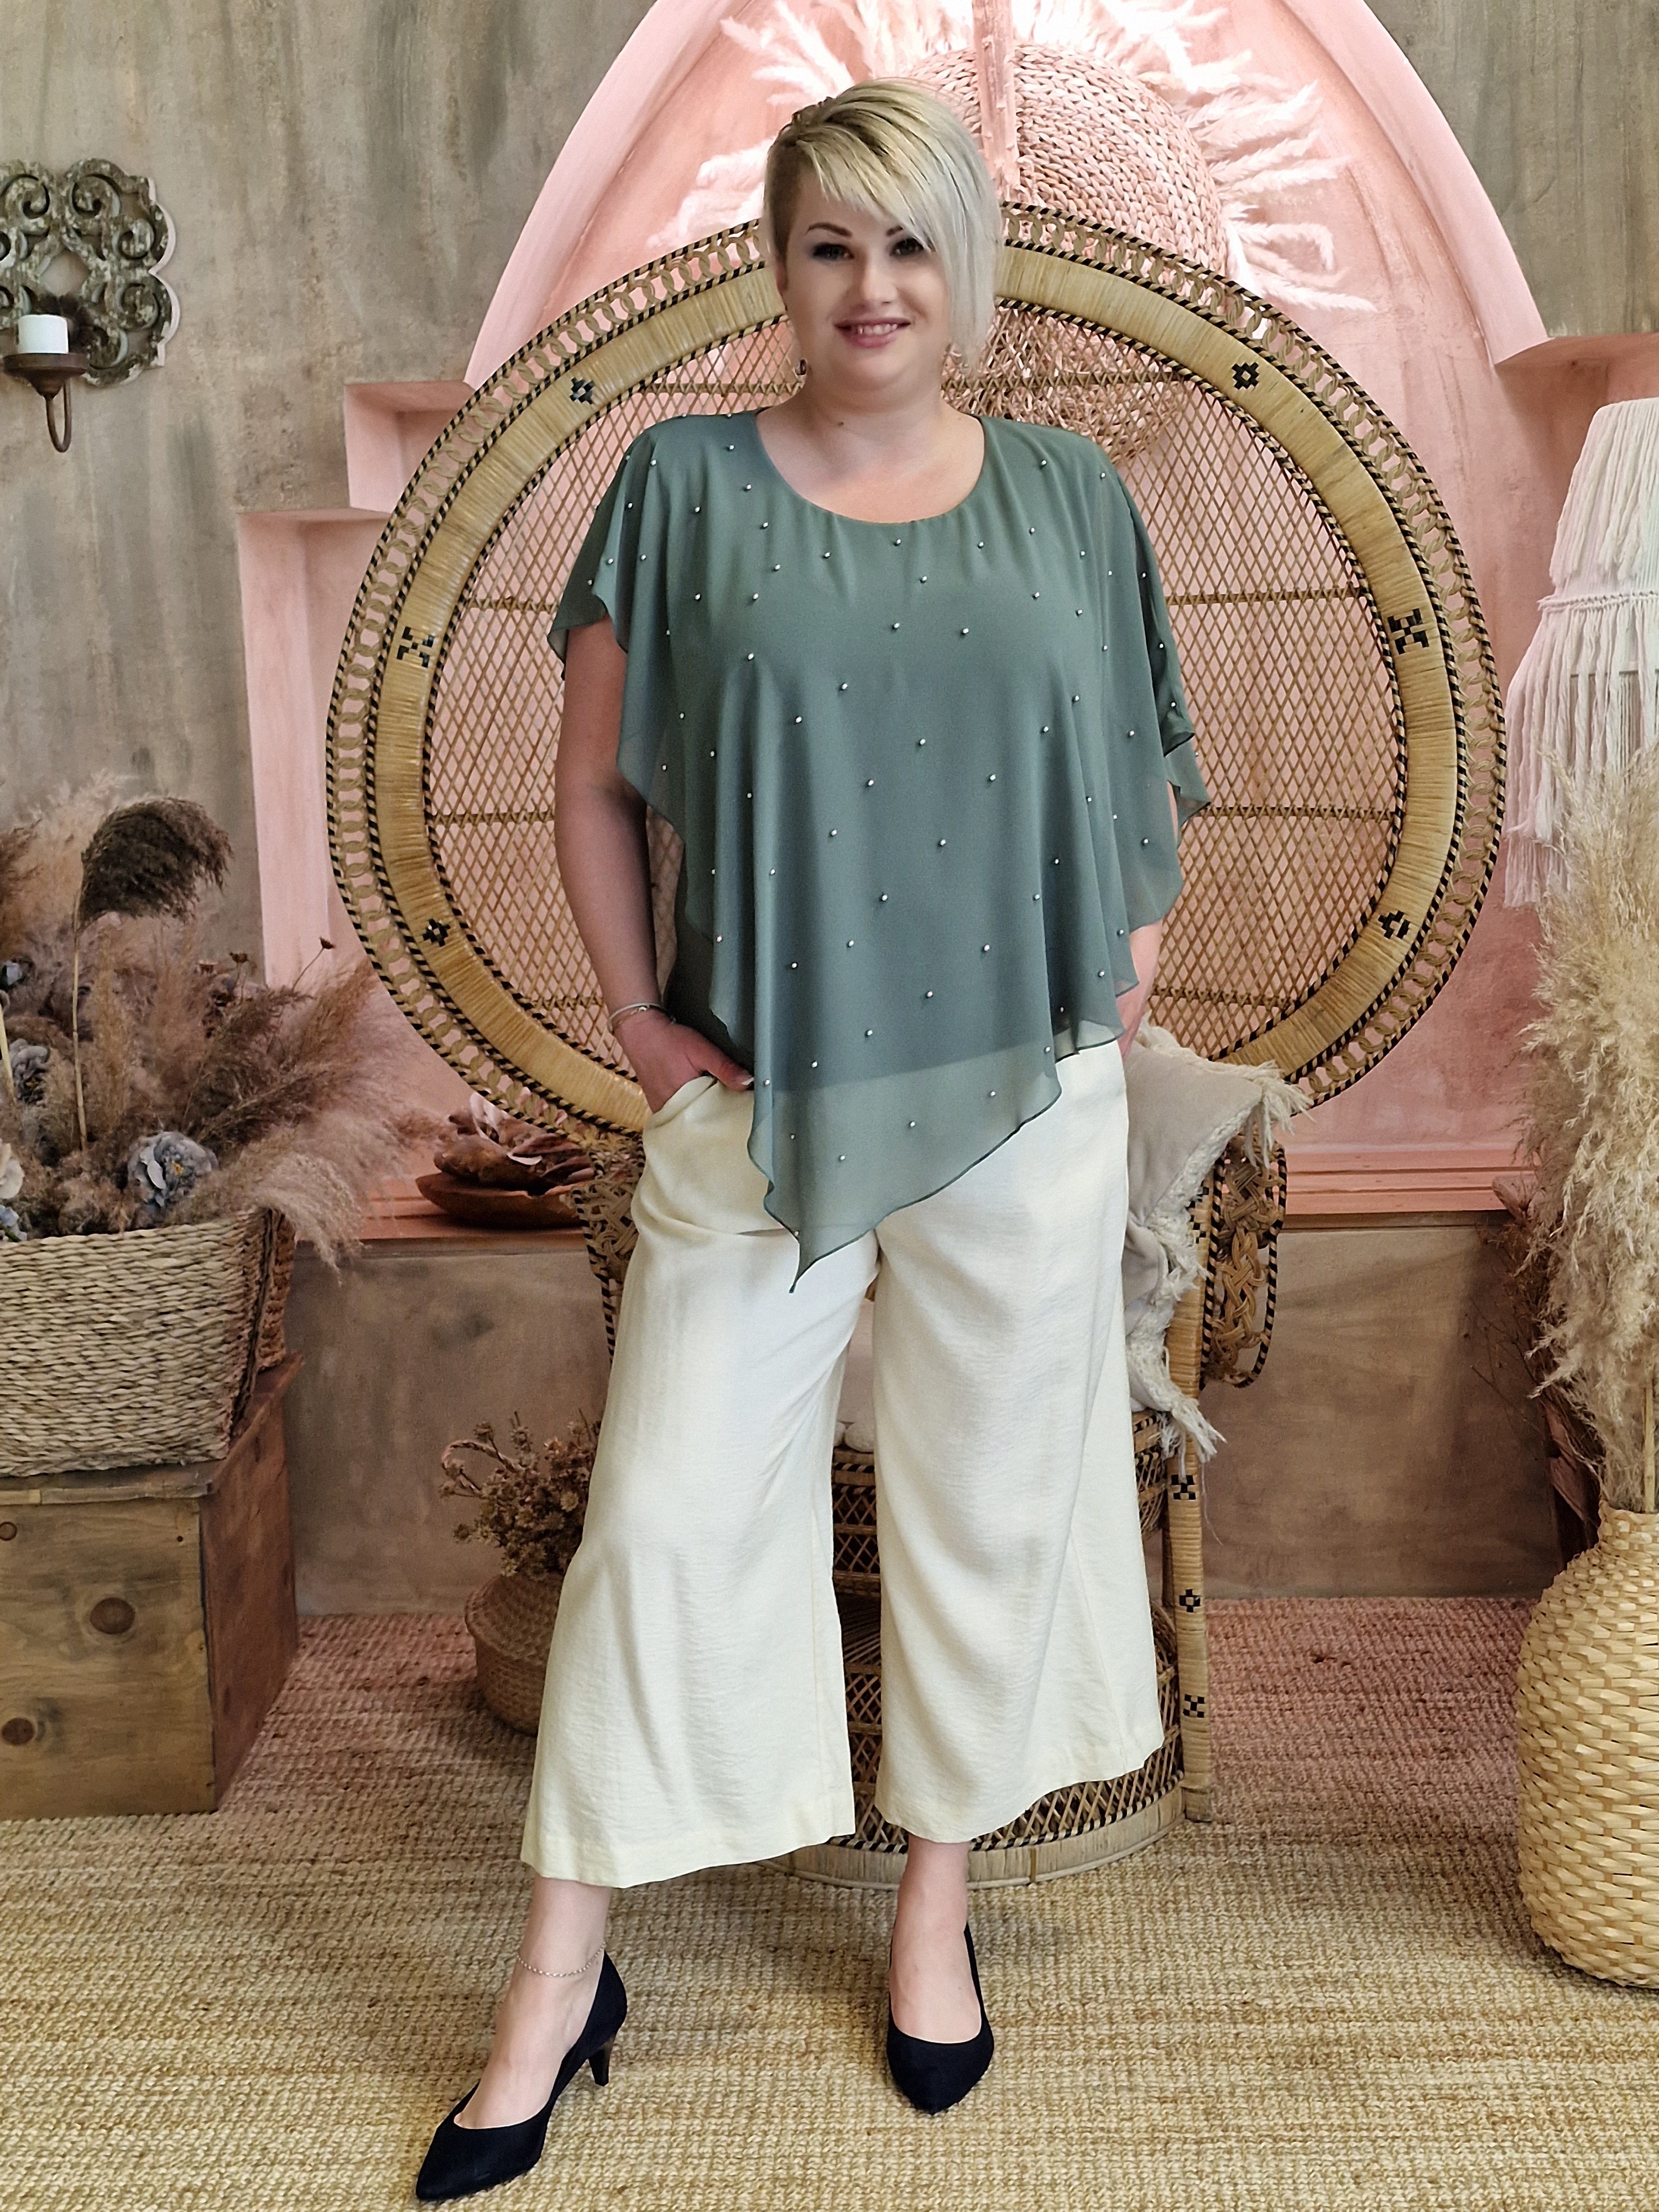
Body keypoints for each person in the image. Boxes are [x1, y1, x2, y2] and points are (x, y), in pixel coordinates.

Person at [416, 77, 1209, 2203]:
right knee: (665, 1514)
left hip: (1028, 1099)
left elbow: (1144, 752)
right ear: (778, 265)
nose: (875, 286)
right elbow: (593, 786)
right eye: (832, 243)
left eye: (913, 242)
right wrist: (637, 1024)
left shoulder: (1068, 494)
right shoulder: (679, 488)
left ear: (969, 266)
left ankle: (935, 1907)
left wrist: (1123, 967)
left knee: (993, 1505)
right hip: (761, 1100)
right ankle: (558, 1974)